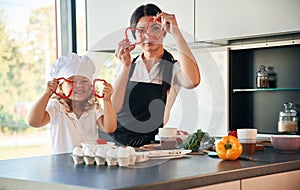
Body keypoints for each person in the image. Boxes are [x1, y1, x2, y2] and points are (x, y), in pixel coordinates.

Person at [111, 4, 200, 146]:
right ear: (135, 34)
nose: (148, 36)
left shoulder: (173, 68)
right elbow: (113, 107)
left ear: (164, 31)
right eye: (141, 31)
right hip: (116, 144)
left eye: (154, 28)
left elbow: (193, 80)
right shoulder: (126, 65)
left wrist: (176, 32)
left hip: (149, 146)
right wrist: (125, 67)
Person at [27, 53, 117, 154]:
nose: (79, 85)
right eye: (72, 81)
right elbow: (33, 122)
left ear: (91, 86)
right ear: (60, 87)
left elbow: (109, 128)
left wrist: (107, 100)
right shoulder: (56, 107)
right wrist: (46, 94)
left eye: (84, 81)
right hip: (63, 165)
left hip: (88, 163)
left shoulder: (93, 107)